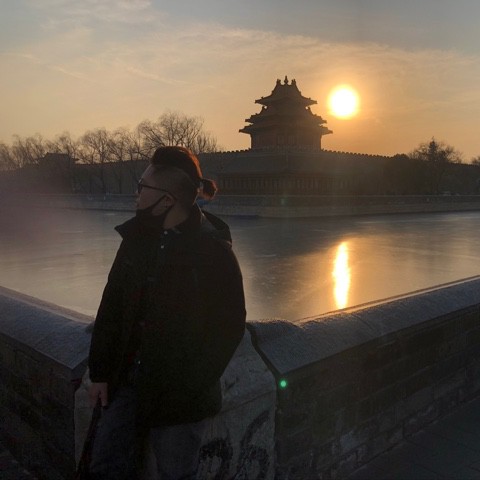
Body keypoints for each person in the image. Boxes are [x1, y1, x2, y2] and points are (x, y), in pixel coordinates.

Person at [87, 146, 246, 479]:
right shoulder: (135, 240)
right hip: (126, 383)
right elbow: (112, 305)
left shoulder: (214, 252)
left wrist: (190, 387)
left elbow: (229, 327)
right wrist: (100, 372)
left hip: (180, 397)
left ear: (167, 200)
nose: (136, 193)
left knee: (175, 473)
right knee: (105, 466)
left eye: (142, 186)